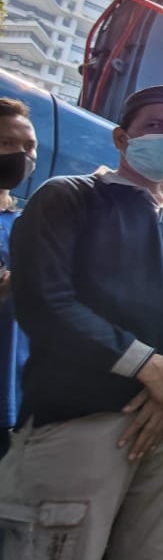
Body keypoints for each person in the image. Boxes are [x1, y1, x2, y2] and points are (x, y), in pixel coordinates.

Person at [0, 84, 163, 560]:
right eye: (156, 126)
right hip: (82, 421)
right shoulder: (70, 197)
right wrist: (149, 368)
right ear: (123, 137)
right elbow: (46, 301)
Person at [0, 97, 38, 460]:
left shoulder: (27, 226)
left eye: (29, 146)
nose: (21, 155)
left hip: (17, 403)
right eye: (7, 144)